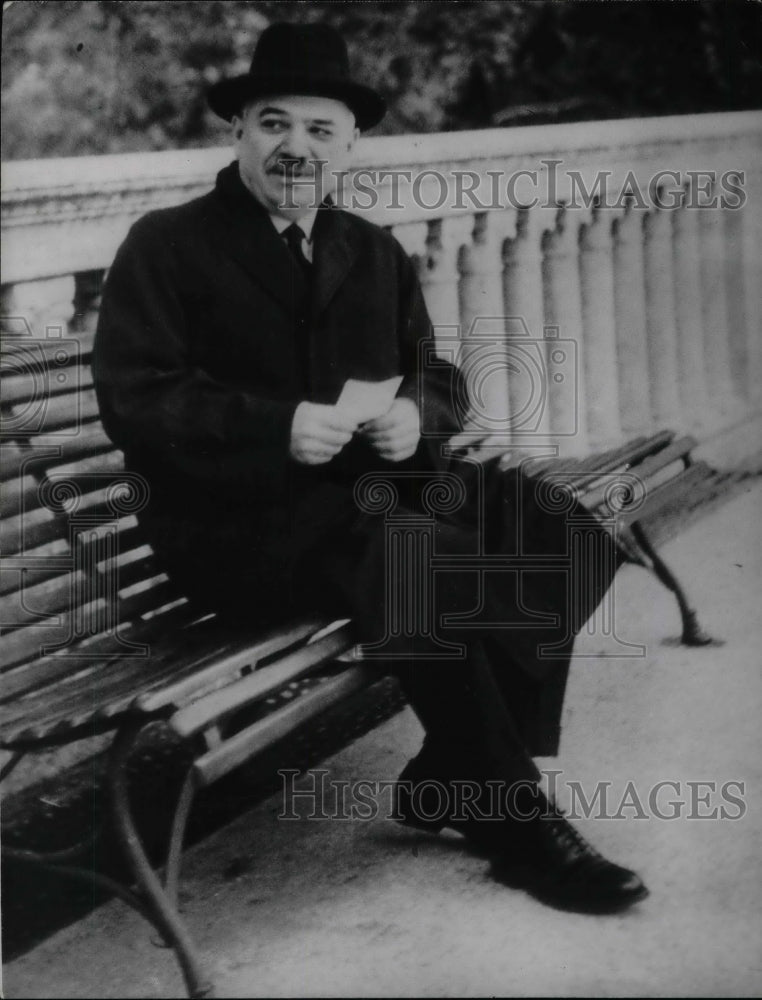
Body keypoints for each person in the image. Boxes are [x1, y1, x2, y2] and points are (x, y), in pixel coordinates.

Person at [93, 22, 648, 914]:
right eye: (274, 124)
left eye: (320, 130)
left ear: (350, 144)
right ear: (237, 132)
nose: (295, 149)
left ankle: (446, 772)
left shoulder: (369, 250)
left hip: (363, 504)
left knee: (558, 525)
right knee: (417, 553)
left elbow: (438, 378)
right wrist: (279, 427)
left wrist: (410, 416)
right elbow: (137, 395)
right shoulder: (167, 245)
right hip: (230, 527)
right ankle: (514, 822)